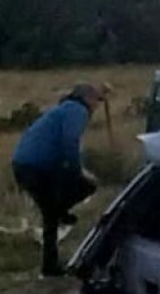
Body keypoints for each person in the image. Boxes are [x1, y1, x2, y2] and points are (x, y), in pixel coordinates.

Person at [11, 83, 105, 277]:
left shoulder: (63, 109)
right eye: (97, 100)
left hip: (24, 164)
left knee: (51, 213)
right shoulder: (78, 110)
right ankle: (51, 263)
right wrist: (78, 171)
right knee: (87, 185)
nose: (98, 105)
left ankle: (50, 265)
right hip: (36, 167)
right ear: (87, 98)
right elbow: (70, 142)